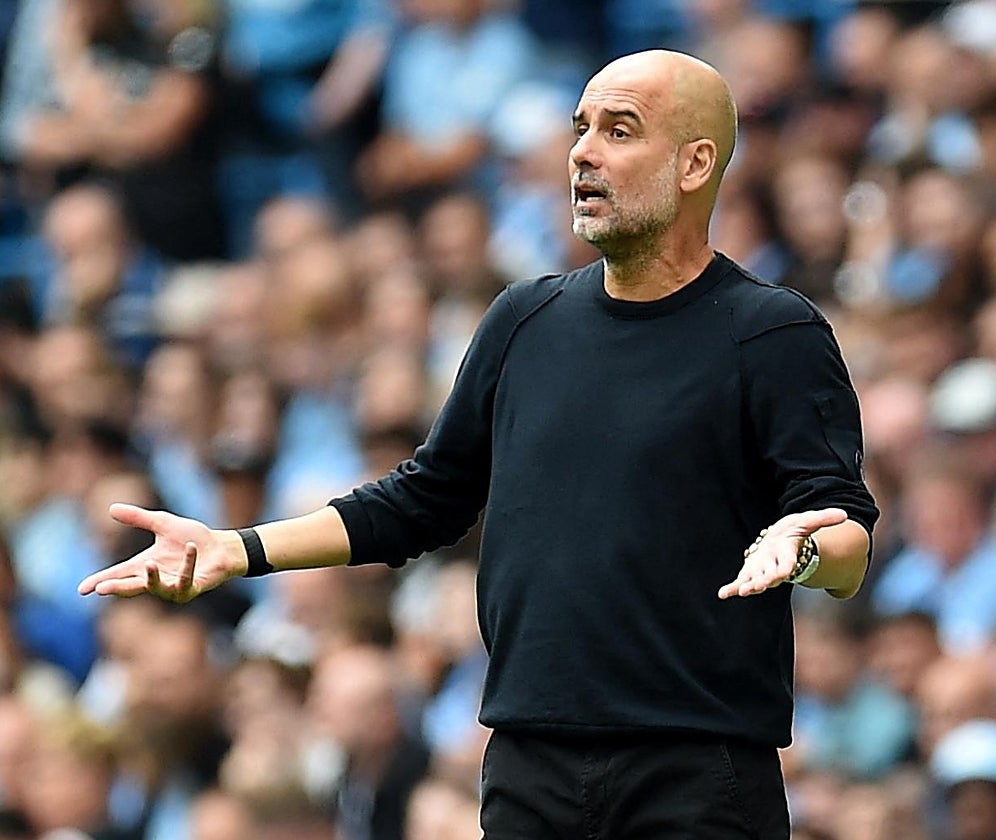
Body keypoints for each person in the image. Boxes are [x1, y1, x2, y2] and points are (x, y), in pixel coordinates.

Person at [78, 49, 878, 837]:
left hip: (697, 774)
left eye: (620, 131)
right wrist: (236, 548)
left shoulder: (773, 332)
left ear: (696, 162)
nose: (583, 154)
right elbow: (423, 500)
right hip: (529, 767)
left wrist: (807, 546)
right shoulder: (522, 320)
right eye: (580, 129)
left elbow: (843, 535)